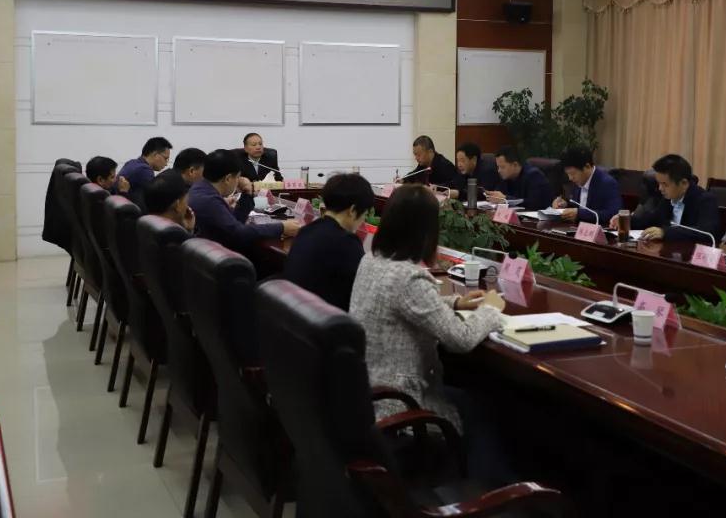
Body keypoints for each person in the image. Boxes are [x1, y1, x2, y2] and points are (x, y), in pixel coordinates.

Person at [350, 184, 508, 481]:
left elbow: (405, 305)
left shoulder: (371, 260)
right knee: (482, 408)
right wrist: (490, 310)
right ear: (425, 231)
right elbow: (460, 339)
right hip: (401, 403)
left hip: (369, 390)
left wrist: (455, 302)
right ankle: (486, 494)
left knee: (470, 401)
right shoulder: (409, 277)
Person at [284, 173, 374, 311]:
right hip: (325, 319)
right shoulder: (346, 243)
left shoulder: (305, 231)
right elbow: (365, 288)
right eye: (364, 215)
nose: (362, 221)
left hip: (294, 314)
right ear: (352, 210)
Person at [188, 149, 300, 256]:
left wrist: (247, 194)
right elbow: (238, 233)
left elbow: (235, 223)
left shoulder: (201, 189)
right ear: (228, 179)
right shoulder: (208, 199)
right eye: (237, 177)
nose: (239, 181)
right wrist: (282, 227)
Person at [613, 154, 720, 243]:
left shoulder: (705, 200)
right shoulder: (668, 198)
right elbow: (651, 219)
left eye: (665, 184)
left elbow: (706, 233)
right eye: (659, 183)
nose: (660, 188)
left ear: (684, 183)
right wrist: (627, 221)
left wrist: (665, 232)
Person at [553, 147, 622, 225]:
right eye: (568, 174)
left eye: (573, 173)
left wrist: (580, 214)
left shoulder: (607, 183)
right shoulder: (578, 181)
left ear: (587, 166)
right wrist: (564, 204)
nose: (570, 178)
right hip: (576, 228)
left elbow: (614, 214)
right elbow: (577, 205)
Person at [485, 145, 553, 210]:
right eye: (498, 167)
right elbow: (500, 194)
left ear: (515, 165)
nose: (499, 171)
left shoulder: (534, 176)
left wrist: (505, 198)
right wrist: (493, 196)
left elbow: (535, 203)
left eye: (502, 167)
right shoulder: (506, 177)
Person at [118, 137, 172, 206]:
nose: (166, 163)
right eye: (165, 158)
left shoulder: (132, 163)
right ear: (155, 154)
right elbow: (156, 199)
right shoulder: (145, 170)